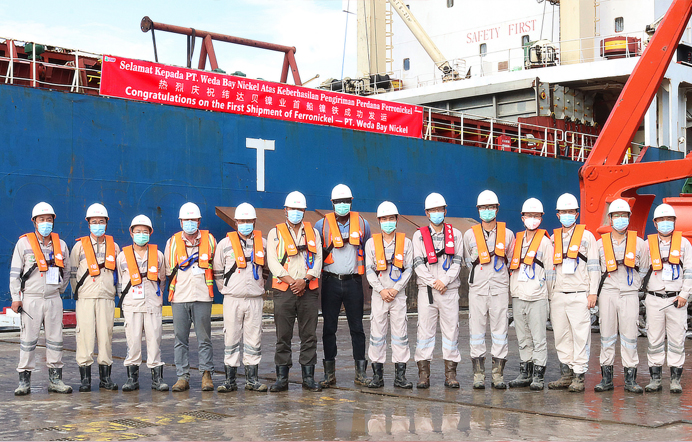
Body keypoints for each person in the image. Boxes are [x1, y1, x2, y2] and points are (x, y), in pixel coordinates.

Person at [10, 202, 72, 395]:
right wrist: (16, 297)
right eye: (42, 219)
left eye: (49, 219)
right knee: (28, 340)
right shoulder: (23, 244)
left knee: (55, 339)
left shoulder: (61, 245)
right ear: (34, 221)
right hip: (31, 299)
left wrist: (58, 290)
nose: (46, 223)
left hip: (53, 299)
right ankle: (24, 381)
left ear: (53, 221)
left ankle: (55, 380)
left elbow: (67, 272)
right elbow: (15, 274)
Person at [315, 184, 371, 388]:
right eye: (338, 201)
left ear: (351, 202)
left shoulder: (363, 224)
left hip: (354, 282)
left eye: (346, 201)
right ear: (332, 203)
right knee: (329, 328)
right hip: (330, 282)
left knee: (357, 328)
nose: (342, 204)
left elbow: (369, 250)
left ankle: (360, 374)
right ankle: (329, 374)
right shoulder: (321, 225)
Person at [266, 191, 324, 392]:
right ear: (285, 210)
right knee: (283, 336)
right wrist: (292, 282)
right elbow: (272, 261)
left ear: (304, 211)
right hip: (285, 290)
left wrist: (305, 281)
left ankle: (308, 378)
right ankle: (282, 379)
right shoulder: (275, 233)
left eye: (299, 209)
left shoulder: (313, 233)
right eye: (292, 208)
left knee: (309, 336)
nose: (295, 212)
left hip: (308, 290)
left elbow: (318, 260)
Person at [595, 198, 649, 393]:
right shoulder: (600, 244)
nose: (620, 219)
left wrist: (633, 285)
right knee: (607, 335)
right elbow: (595, 271)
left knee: (630, 336)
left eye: (623, 215)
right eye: (616, 215)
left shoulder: (640, 244)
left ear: (629, 218)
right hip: (607, 293)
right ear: (610, 219)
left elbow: (644, 269)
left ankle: (630, 380)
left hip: (629, 294)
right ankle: (606, 379)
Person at [547, 193, 599, 393]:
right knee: (561, 335)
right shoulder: (553, 239)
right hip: (559, 294)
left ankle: (579, 375)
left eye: (571, 211)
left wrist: (592, 293)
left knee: (580, 336)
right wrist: (550, 294)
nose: (567, 215)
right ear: (558, 215)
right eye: (563, 212)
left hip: (579, 293)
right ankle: (566, 374)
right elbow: (550, 270)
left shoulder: (587, 237)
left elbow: (594, 266)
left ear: (577, 214)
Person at [213, 203, 268, 392]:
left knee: (254, 338)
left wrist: (258, 286)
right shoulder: (224, 244)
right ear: (236, 222)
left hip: (254, 299)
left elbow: (266, 269)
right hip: (232, 299)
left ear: (254, 222)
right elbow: (218, 271)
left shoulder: (263, 243)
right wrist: (228, 289)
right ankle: (230, 380)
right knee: (231, 337)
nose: (245, 224)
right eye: (242, 221)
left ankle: (252, 379)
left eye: (248, 221)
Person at [463, 190, 515, 389]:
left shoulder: (508, 234)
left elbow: (511, 260)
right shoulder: (469, 235)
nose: (487, 210)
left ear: (497, 209)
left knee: (500, 331)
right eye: (484, 207)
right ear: (478, 210)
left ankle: (497, 374)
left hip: (499, 289)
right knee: (476, 331)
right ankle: (478, 374)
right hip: (477, 289)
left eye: (491, 207)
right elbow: (467, 260)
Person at [412, 193, 464, 389]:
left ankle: (450, 375)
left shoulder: (456, 235)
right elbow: (418, 264)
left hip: (449, 291)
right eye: (432, 210)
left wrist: (445, 281)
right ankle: (423, 375)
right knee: (424, 331)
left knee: (451, 331)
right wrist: (434, 282)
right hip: (428, 291)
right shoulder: (418, 236)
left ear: (445, 210)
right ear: (426, 213)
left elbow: (457, 262)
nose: (436, 213)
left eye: (439, 209)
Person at [164, 202, 217, 392]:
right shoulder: (172, 242)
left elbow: (216, 266)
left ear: (199, 221)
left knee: (204, 339)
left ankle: (206, 375)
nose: (190, 223)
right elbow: (168, 270)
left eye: (193, 219)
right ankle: (182, 377)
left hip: (202, 296)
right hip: (179, 297)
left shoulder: (210, 240)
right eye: (186, 220)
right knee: (180, 339)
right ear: (180, 222)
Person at [641, 203, 691, 393]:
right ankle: (655, 379)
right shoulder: (647, 245)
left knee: (677, 339)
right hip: (654, 298)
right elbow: (642, 270)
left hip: (676, 300)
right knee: (654, 339)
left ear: (674, 221)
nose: (665, 223)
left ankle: (675, 380)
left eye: (669, 219)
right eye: (661, 220)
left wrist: (684, 294)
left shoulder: (684, 244)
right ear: (655, 223)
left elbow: (689, 271)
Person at [70, 203, 120, 392]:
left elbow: (118, 274)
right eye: (94, 221)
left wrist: (114, 292)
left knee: (106, 336)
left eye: (101, 221)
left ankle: (105, 378)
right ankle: (85, 379)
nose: (98, 225)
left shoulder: (114, 247)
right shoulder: (79, 247)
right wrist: (79, 292)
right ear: (88, 223)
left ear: (106, 223)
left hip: (107, 297)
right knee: (85, 336)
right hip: (86, 298)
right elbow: (72, 273)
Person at [364, 201, 414, 388]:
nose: (388, 222)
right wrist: (381, 290)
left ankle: (400, 377)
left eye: (391, 218)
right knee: (377, 335)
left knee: (400, 334)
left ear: (397, 219)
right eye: (384, 219)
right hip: (379, 295)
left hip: (398, 295)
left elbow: (409, 269)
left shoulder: (406, 243)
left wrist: (395, 289)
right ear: (378, 221)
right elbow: (369, 270)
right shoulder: (371, 243)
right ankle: (377, 376)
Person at [117, 215, 168, 392]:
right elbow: (119, 282)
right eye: (138, 231)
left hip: (152, 304)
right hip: (131, 305)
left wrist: (157, 297)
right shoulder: (122, 256)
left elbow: (162, 279)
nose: (141, 234)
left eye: (145, 231)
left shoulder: (158, 255)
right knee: (133, 342)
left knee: (155, 341)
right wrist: (125, 301)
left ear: (150, 233)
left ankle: (157, 379)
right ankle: (132, 379)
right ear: (131, 233)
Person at [508, 198, 554, 391]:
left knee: (538, 338)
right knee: (523, 337)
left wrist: (549, 296)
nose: (532, 219)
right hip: (519, 296)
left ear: (541, 218)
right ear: (522, 217)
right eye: (529, 215)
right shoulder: (517, 241)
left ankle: (538, 374)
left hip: (537, 297)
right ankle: (525, 372)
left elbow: (550, 272)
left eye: (536, 216)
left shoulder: (545, 242)